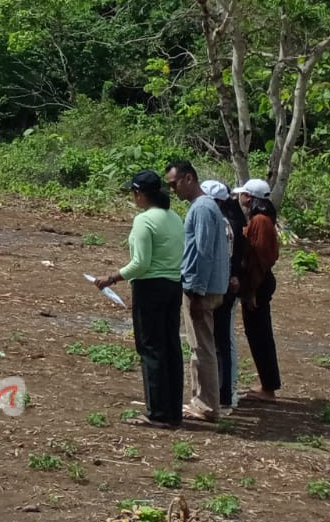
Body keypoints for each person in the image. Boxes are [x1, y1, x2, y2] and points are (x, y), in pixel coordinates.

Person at [95, 170, 185, 428]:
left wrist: (111, 277)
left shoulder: (144, 221)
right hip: (172, 286)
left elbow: (141, 264)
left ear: (141, 194)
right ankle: (173, 411)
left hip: (150, 289)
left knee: (151, 348)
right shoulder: (174, 218)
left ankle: (157, 412)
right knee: (170, 347)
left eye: (134, 193)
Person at [165, 159, 230, 421]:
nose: (173, 190)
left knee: (201, 347)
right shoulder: (204, 207)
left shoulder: (201, 209)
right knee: (202, 345)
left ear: (189, 178)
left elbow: (202, 253)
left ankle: (206, 405)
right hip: (205, 286)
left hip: (200, 288)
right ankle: (201, 401)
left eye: (174, 183)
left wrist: (196, 291)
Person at [235, 179, 282, 403]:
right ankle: (267, 384)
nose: (239, 198)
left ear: (250, 198)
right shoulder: (261, 219)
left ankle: (268, 387)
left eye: (242, 194)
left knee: (260, 334)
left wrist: (252, 289)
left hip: (258, 283)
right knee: (257, 333)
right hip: (258, 282)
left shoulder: (260, 221)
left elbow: (259, 259)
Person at [202, 180, 246, 412]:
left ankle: (223, 395)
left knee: (218, 343)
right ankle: (225, 394)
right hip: (226, 285)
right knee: (221, 342)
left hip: (218, 288)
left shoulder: (221, 224)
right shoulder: (231, 222)